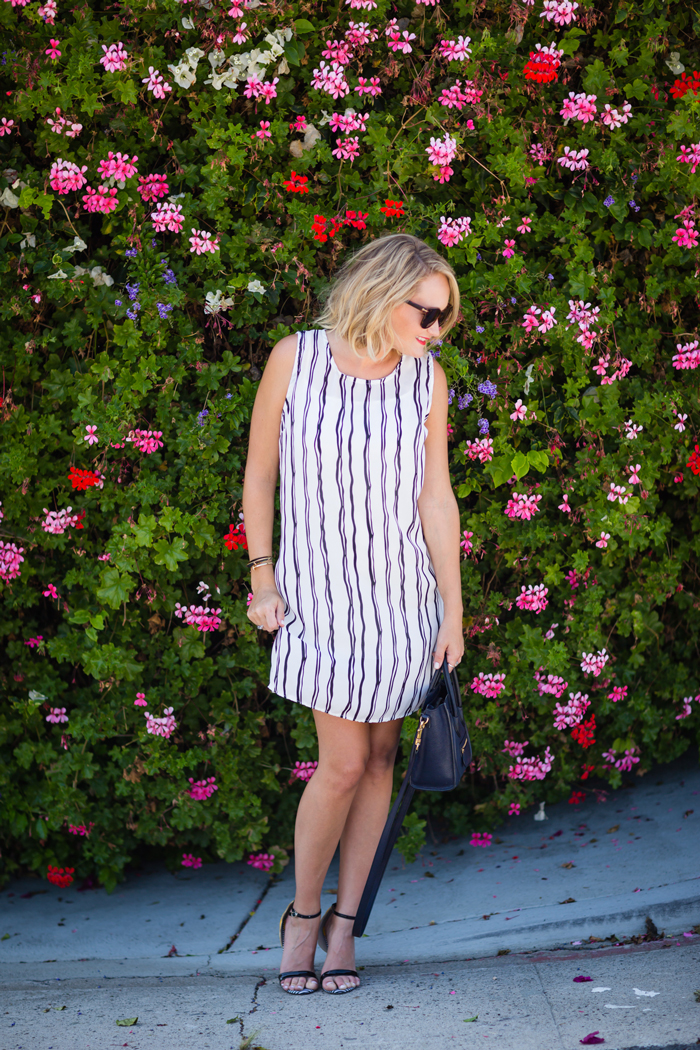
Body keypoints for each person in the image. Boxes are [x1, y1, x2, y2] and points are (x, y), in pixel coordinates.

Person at [241, 233, 465, 996]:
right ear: (382, 291)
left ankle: (346, 925)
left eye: (444, 318)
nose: (436, 331)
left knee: (378, 764)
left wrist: (453, 611)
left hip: (403, 602)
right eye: (427, 314)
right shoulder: (295, 358)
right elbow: (260, 477)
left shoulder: (425, 383)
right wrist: (261, 577)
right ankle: (300, 917)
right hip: (320, 600)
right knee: (339, 766)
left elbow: (436, 497)